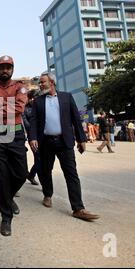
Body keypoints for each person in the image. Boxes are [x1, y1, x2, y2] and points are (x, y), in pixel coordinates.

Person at [29, 71, 99, 222]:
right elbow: (34, 121)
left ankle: (78, 208)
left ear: (52, 82)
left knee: (71, 174)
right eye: (40, 83)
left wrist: (82, 139)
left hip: (64, 141)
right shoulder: (38, 101)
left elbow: (76, 118)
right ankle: (47, 194)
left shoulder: (66, 97)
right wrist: (33, 137)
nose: (40, 85)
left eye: (43, 82)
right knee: (45, 170)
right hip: (45, 142)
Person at [0, 55, 28, 236]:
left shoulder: (21, 87)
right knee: (1, 176)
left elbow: (19, 108)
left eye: (8, 67)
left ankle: (8, 197)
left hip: (15, 133)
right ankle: (6, 217)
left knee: (21, 173)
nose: (5, 70)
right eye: (2, 67)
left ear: (12, 69)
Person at [22, 89, 40, 186]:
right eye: (31, 98)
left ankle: (31, 175)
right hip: (32, 137)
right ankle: (32, 175)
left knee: (44, 160)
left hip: (44, 137)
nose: (33, 100)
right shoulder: (25, 109)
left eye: (35, 97)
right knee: (38, 159)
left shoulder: (42, 106)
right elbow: (27, 125)